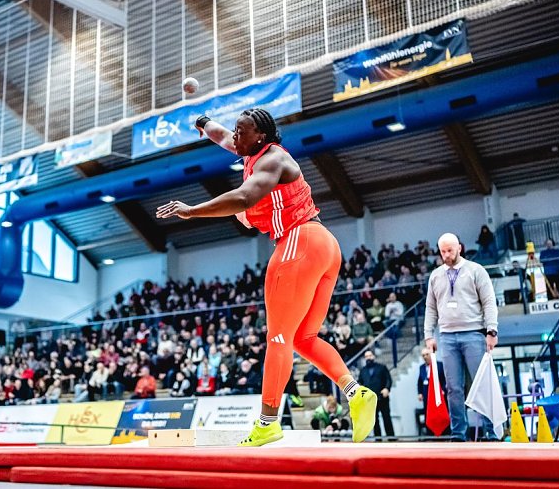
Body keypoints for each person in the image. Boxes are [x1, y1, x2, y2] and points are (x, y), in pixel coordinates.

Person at [156, 109, 376, 446]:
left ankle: (267, 422)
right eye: (235, 130)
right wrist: (202, 122)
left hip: (298, 242)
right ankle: (355, 391)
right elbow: (222, 136)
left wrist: (192, 210)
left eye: (241, 132)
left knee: (278, 337)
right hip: (322, 245)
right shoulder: (251, 147)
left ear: (261, 135)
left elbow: (244, 198)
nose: (235, 136)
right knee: (303, 338)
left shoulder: (273, 160)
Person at [424, 233, 500, 441]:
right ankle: (458, 433)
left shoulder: (476, 270)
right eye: (442, 252)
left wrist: (491, 330)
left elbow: (489, 302)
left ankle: (490, 431)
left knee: (481, 384)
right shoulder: (435, 276)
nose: (446, 255)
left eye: (450, 250)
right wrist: (428, 335)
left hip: (474, 333)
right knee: (453, 388)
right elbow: (430, 307)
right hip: (447, 336)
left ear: (460, 247)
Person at [358, 350, 394, 439]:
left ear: (373, 356)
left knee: (386, 417)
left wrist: (387, 388)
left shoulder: (382, 367)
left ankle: (391, 437)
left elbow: (388, 379)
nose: (368, 358)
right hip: (370, 399)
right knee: (374, 420)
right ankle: (378, 438)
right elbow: (360, 383)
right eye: (366, 356)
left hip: (382, 396)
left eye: (370, 356)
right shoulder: (363, 371)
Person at [417, 348, 447, 434]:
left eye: (427, 354)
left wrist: (443, 389)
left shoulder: (440, 365)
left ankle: (444, 433)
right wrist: (419, 393)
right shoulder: (422, 368)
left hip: (439, 394)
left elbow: (444, 379)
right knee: (428, 414)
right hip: (427, 395)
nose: (425, 357)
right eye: (423, 355)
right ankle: (430, 434)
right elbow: (420, 381)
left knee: (441, 414)